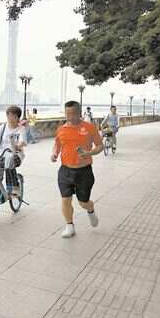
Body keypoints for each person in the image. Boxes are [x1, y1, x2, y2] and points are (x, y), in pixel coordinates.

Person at [51, 101, 103, 238]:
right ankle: (69, 226)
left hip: (84, 171)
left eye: (73, 113)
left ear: (80, 113)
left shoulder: (89, 127)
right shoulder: (61, 129)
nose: (70, 116)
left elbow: (100, 146)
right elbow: (57, 144)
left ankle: (90, 209)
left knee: (83, 202)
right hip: (65, 171)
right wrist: (54, 154)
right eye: (67, 114)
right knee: (65, 199)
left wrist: (89, 153)